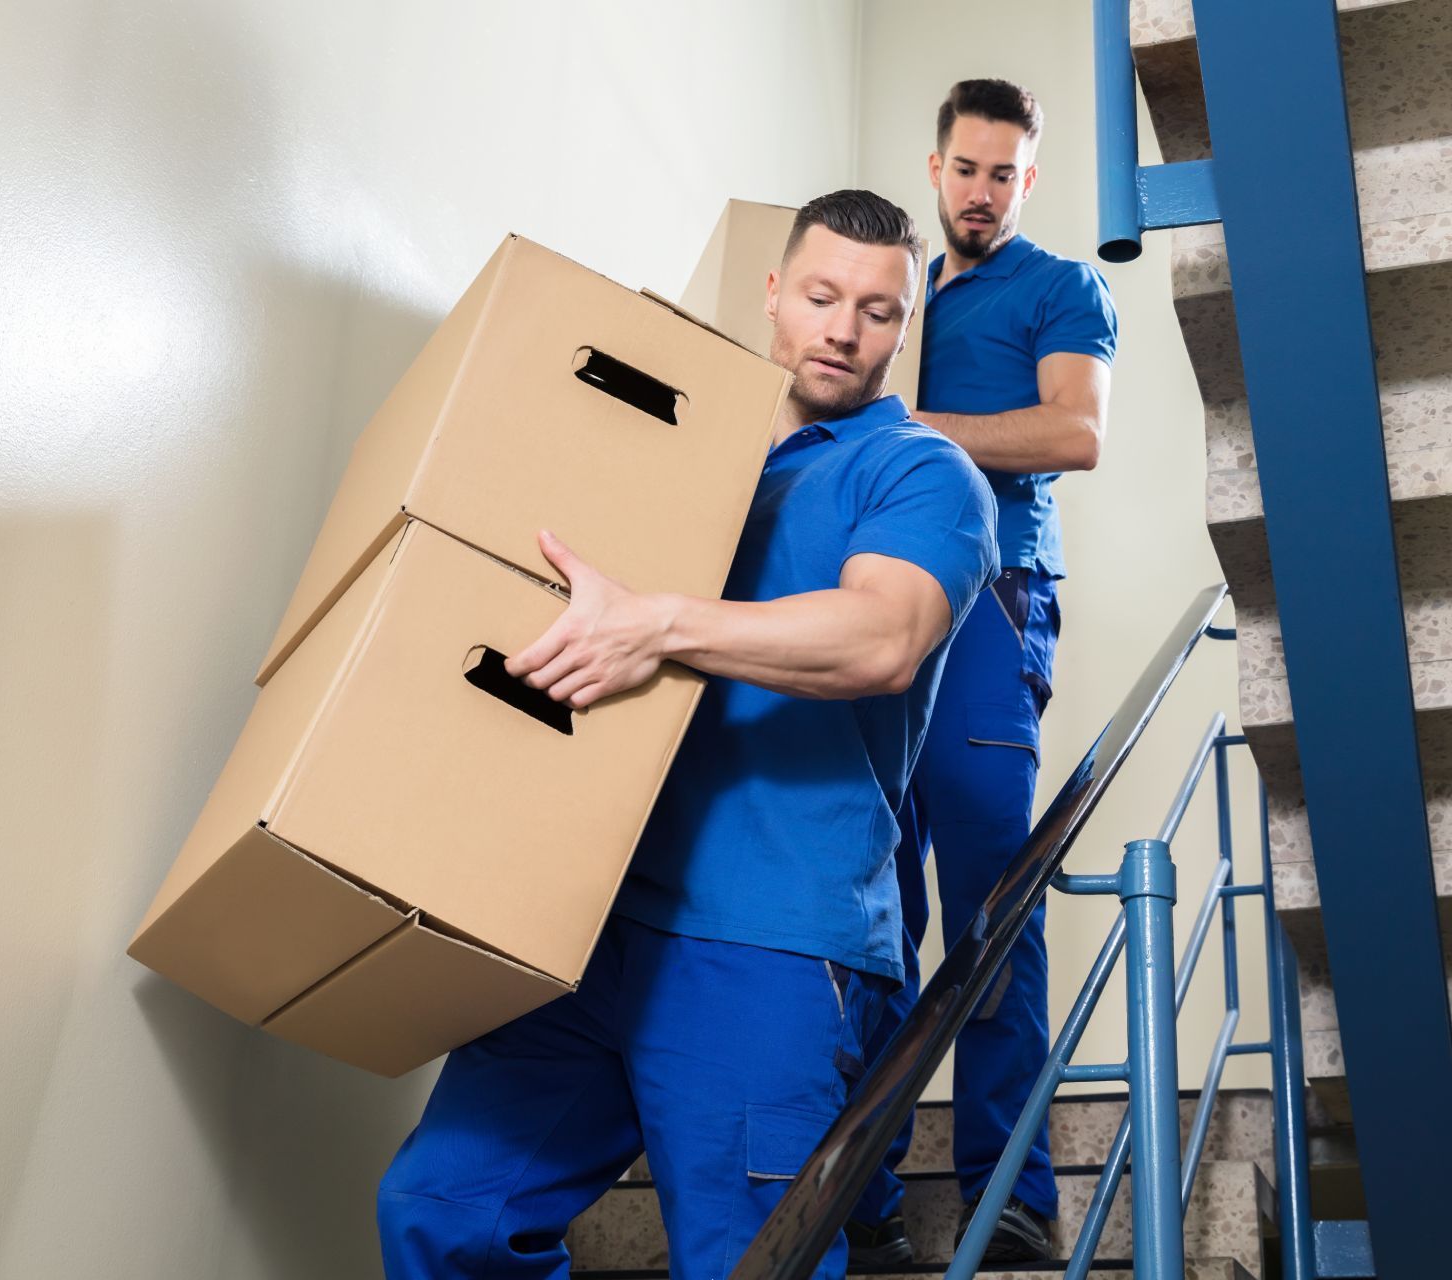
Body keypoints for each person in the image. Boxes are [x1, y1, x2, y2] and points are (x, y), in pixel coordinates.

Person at [375, 189, 998, 1280]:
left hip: (766, 935)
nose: (843, 328)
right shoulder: (685, 457)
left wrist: (658, 623)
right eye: (819, 295)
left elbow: (882, 636)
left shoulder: (918, 473)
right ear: (772, 295)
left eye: (878, 309)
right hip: (590, 923)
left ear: (908, 324)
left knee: (747, 1262)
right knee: (443, 1207)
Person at [845, 79, 1118, 1269]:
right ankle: (865, 1193)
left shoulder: (1060, 286)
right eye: (967, 169)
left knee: (992, 904)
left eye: (1005, 173)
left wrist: (909, 420)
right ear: (935, 165)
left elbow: (1075, 434)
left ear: (1029, 179)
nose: (983, 192)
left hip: (993, 609)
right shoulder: (900, 291)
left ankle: (1010, 1188)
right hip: (872, 607)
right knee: (870, 906)